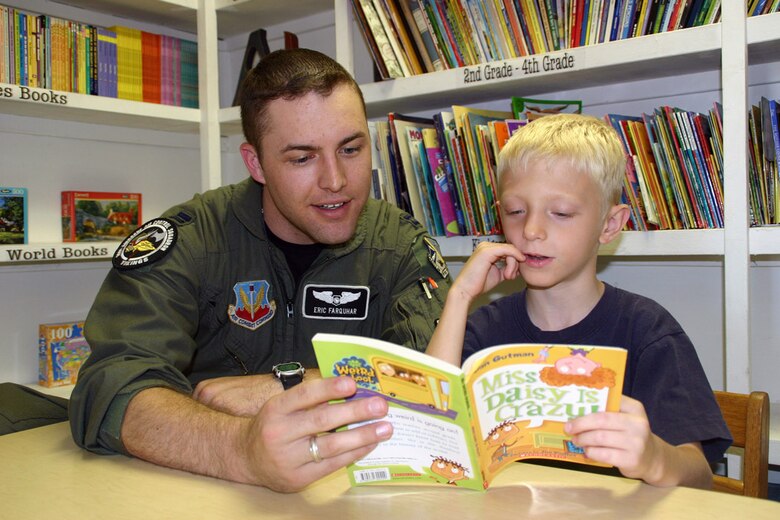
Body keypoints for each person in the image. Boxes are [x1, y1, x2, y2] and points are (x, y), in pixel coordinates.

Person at [69, 48, 451, 492]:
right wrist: (238, 450)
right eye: (302, 158)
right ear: (256, 163)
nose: (335, 180)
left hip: (353, 496)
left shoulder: (399, 244)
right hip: (199, 492)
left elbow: (436, 384)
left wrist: (287, 386)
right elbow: (110, 388)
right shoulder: (192, 240)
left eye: (350, 148)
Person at [425, 114, 730, 489]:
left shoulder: (648, 331)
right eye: (515, 211)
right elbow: (429, 432)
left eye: (561, 213)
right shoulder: (484, 326)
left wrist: (652, 458)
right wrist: (458, 297)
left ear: (610, 225)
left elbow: (699, 478)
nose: (532, 231)